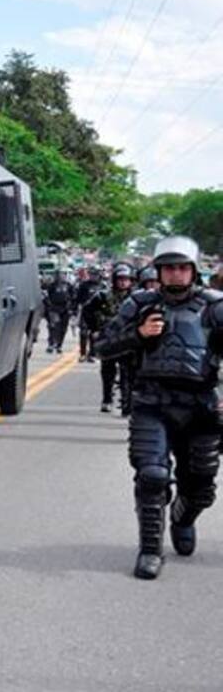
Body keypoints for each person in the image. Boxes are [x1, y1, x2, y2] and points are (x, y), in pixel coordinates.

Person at [97, 236, 223, 580]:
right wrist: (138, 334)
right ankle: (150, 550)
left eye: (182, 268)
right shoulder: (139, 305)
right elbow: (103, 346)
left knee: (202, 487)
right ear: (159, 271)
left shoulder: (215, 307)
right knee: (151, 477)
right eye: (169, 268)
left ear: (193, 271)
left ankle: (183, 518)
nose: (176, 274)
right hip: (152, 402)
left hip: (201, 407)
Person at [83, 263, 136, 414]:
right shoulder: (102, 296)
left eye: (126, 279)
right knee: (108, 371)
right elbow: (87, 311)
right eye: (120, 279)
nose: (123, 282)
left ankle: (127, 403)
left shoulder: (136, 298)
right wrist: (94, 329)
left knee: (128, 372)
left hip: (128, 339)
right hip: (109, 339)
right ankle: (107, 399)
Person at [42, 270, 76, 353]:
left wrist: (72, 309)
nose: (60, 276)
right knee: (53, 326)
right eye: (58, 274)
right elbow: (46, 296)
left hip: (65, 309)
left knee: (63, 328)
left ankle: (59, 345)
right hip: (54, 308)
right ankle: (51, 344)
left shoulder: (69, 285)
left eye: (62, 274)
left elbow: (74, 297)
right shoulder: (51, 285)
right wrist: (48, 306)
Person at [75, 267, 103, 361]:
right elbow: (78, 299)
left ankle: (92, 354)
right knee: (83, 333)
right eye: (91, 274)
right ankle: (82, 353)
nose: (93, 276)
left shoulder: (103, 286)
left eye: (95, 274)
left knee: (94, 335)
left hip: (98, 314)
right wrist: (75, 311)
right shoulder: (83, 285)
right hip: (86, 312)